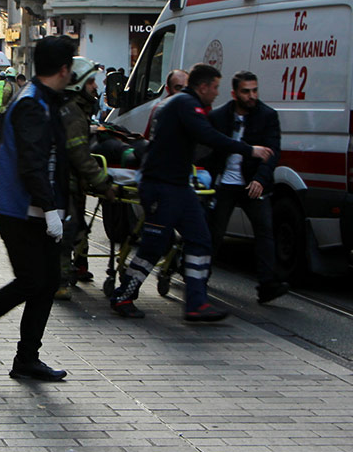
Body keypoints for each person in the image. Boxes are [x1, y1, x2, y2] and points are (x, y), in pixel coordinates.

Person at [0, 36, 74, 382]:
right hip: (19, 209)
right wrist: (50, 208)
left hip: (33, 208)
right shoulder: (33, 103)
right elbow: (32, 162)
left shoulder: (45, 99)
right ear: (64, 69)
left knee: (46, 282)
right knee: (33, 280)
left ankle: (26, 359)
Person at [109, 63, 273, 321]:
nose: (217, 93)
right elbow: (207, 136)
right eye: (215, 87)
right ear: (203, 87)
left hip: (176, 185)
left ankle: (196, 303)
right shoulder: (186, 104)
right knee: (154, 245)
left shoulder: (179, 103)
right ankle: (123, 295)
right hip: (162, 186)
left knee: (200, 238)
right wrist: (249, 150)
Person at [203, 71, 287, 304]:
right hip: (225, 183)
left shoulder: (267, 116)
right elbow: (210, 151)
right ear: (235, 94)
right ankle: (200, 276)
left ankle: (267, 284)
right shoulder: (219, 116)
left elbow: (272, 152)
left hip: (252, 182)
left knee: (264, 231)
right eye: (246, 91)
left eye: (254, 90)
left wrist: (260, 179)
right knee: (215, 232)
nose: (252, 96)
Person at [56, 57, 116, 299]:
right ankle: (59, 282)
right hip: (64, 182)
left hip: (71, 182)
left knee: (77, 224)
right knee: (67, 229)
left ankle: (79, 266)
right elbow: (80, 155)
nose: (95, 86)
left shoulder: (74, 109)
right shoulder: (72, 113)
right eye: (91, 81)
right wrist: (103, 182)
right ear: (78, 83)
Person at [144, 69, 188, 135]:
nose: (183, 92)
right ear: (168, 89)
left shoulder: (195, 107)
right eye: (178, 88)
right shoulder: (161, 110)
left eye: (186, 88)